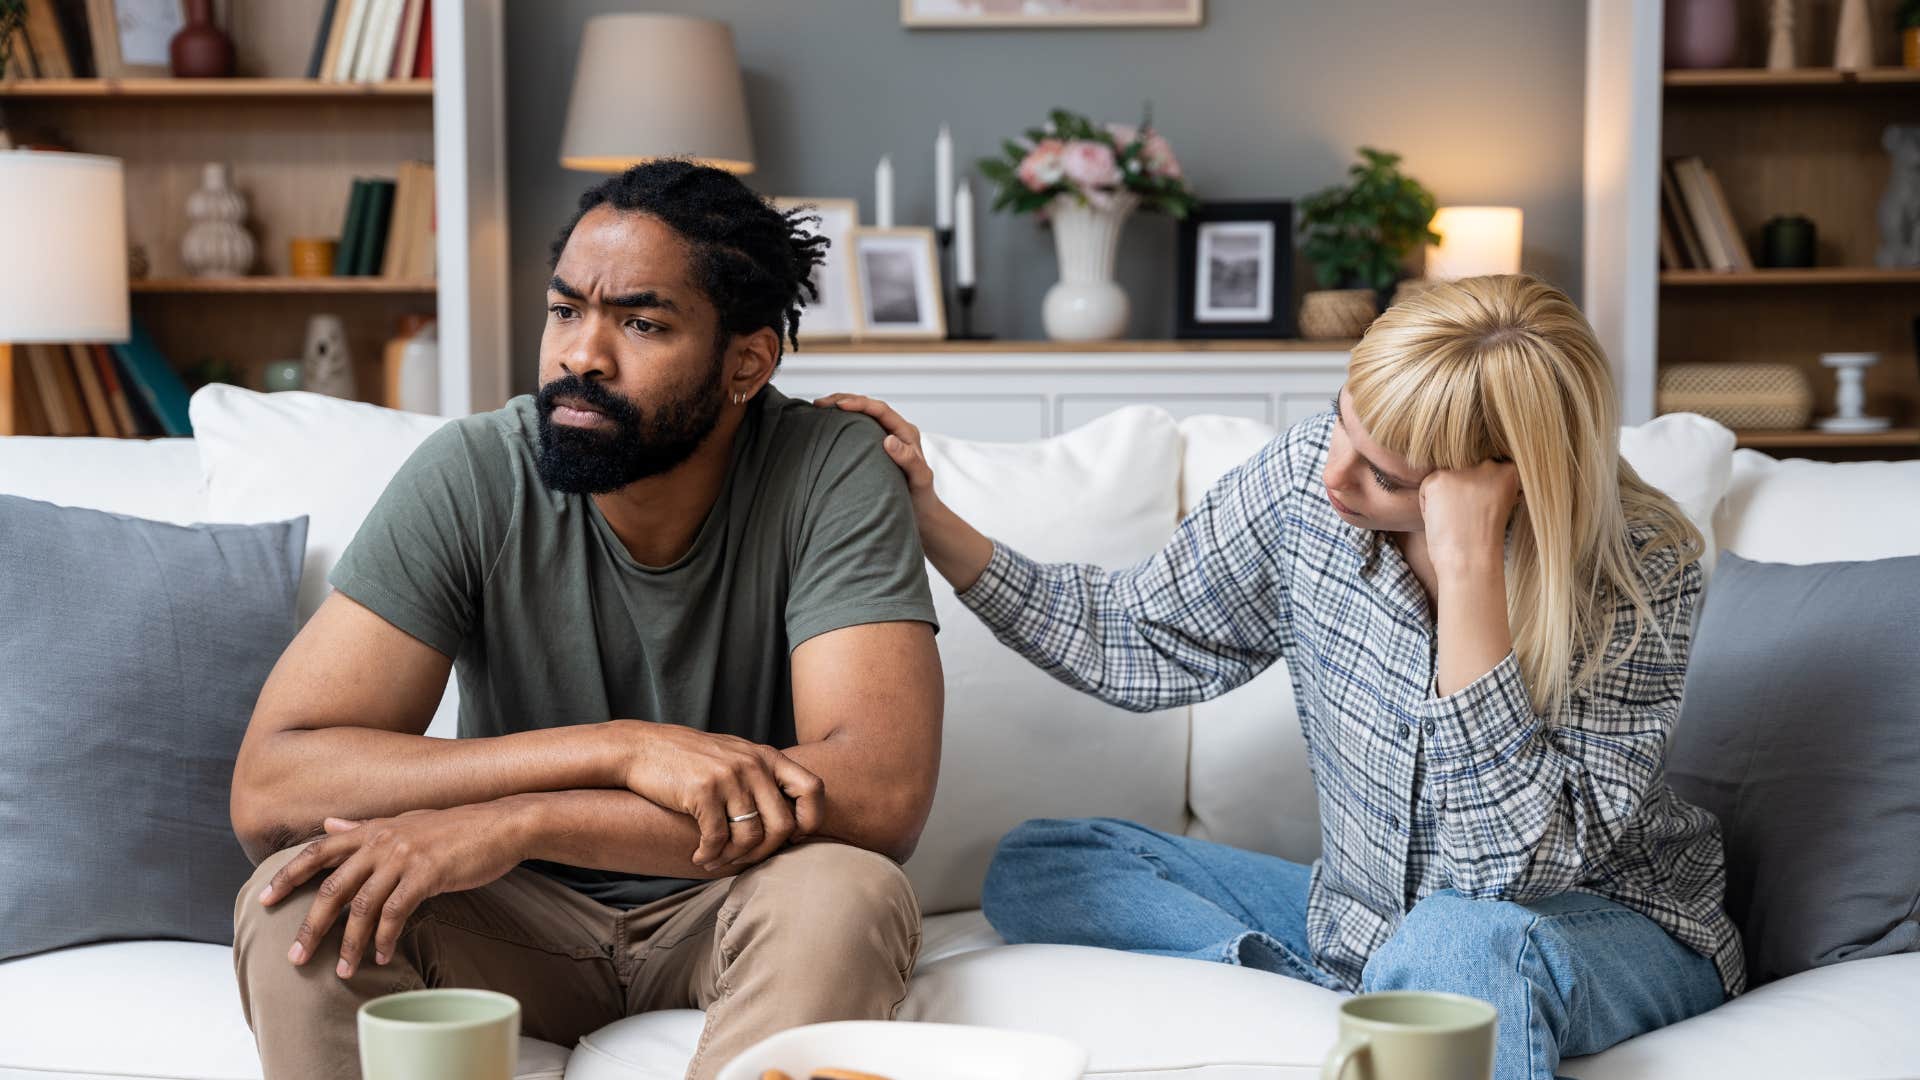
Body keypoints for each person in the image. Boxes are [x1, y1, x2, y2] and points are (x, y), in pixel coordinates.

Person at [820, 274, 1742, 1080]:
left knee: (1458, 939)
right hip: (1362, 920)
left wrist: (1468, 576)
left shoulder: (1640, 568)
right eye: (1340, 423)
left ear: (1500, 484)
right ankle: (1380, 982)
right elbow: (1132, 635)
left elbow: (1502, 871)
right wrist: (932, 517)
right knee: (1046, 863)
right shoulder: (1314, 478)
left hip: (1606, 924)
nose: (1333, 477)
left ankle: (1405, 977)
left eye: (1382, 476)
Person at [229, 161, 944, 1080]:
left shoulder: (833, 468)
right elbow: (273, 789)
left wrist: (525, 819)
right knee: (302, 897)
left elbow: (878, 796)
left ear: (746, 363)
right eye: (566, 311)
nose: (580, 356)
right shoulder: (475, 472)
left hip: (731, 901)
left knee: (847, 887)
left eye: (641, 323)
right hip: (502, 914)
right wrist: (618, 748)